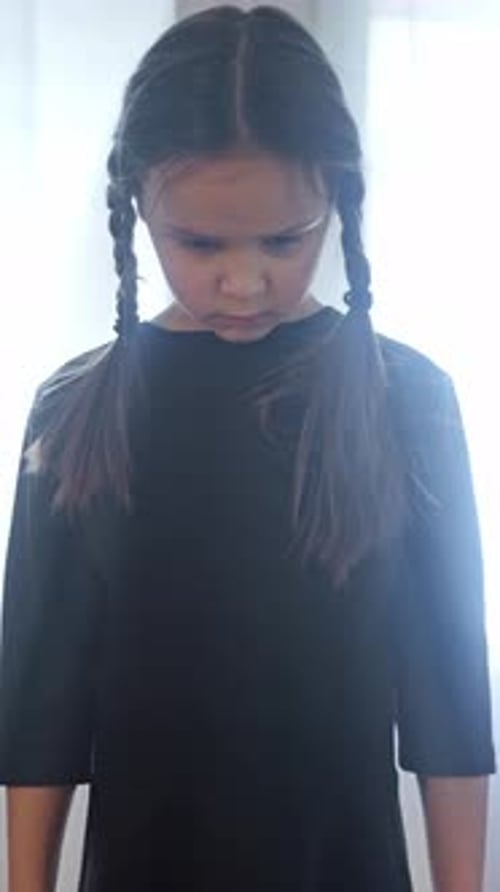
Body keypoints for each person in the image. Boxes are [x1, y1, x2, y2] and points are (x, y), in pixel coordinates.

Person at [0, 5, 496, 891]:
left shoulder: (408, 401)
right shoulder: (75, 413)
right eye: (198, 242)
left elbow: (447, 695)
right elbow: (41, 703)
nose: (242, 279)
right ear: (137, 207)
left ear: (337, 204)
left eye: (284, 239)